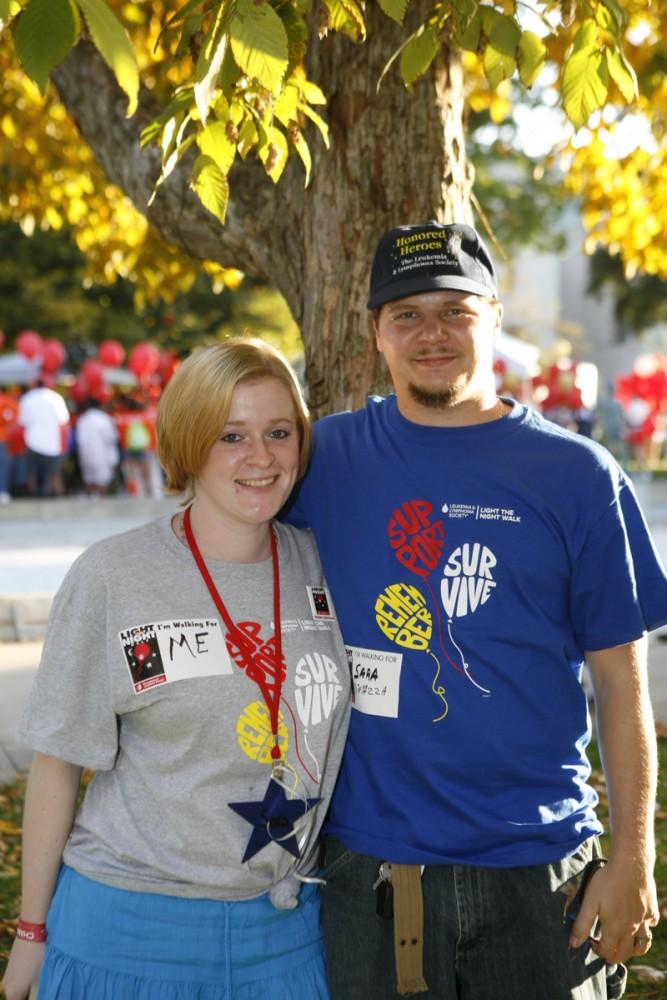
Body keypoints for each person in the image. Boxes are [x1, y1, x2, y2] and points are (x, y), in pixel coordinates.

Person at [284, 221, 667, 1000]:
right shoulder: (321, 461)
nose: (432, 334)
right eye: (407, 315)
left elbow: (622, 687)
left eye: (454, 310)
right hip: (370, 871)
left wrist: (633, 859)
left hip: (541, 871)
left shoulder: (576, 475)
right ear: (375, 335)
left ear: (493, 317)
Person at [2, 338, 350, 1000]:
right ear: (189, 445)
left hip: (284, 932)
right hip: (127, 930)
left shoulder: (322, 561)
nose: (260, 457)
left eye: (279, 432)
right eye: (230, 436)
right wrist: (31, 932)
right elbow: (57, 764)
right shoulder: (114, 573)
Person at [18, 378, 69, 497]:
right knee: (54, 472)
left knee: (32, 472)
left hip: (32, 441)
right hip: (52, 442)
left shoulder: (28, 398)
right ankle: (58, 497)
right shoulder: (55, 398)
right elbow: (64, 419)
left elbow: (22, 421)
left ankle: (33, 496)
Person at [75, 398, 120, 495]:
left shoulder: (82, 419)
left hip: (85, 455)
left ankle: (90, 503)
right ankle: (103, 506)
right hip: (102, 455)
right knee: (102, 481)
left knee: (89, 480)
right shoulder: (104, 418)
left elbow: (80, 440)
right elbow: (111, 438)